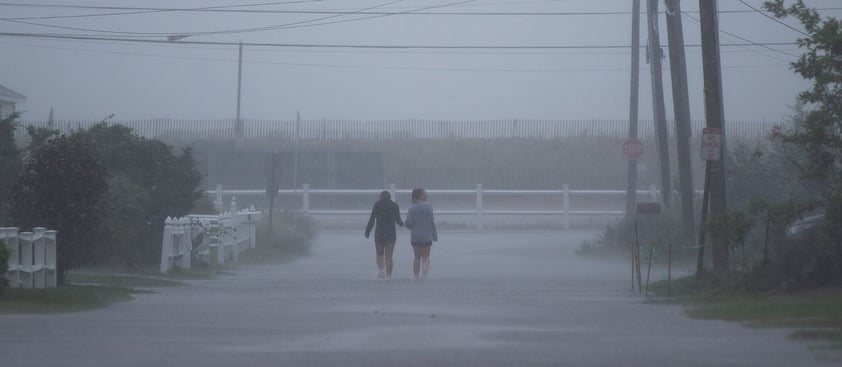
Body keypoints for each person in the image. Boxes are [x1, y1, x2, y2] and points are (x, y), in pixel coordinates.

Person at [365, 190, 403, 279]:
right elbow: (398, 219)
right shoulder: (394, 205)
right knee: (389, 256)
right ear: (390, 197)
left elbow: (372, 219)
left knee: (379, 254)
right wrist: (402, 223)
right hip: (390, 233)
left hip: (379, 233)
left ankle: (381, 271)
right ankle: (389, 275)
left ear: (380, 197)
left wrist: (367, 231)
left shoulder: (377, 205)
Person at [405, 188, 437, 280]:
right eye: (424, 194)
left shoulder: (412, 208)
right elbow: (432, 222)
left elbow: (408, 223)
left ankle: (415, 276)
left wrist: (414, 228)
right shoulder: (429, 207)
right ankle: (424, 275)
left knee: (417, 257)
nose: (426, 195)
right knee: (426, 257)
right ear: (419, 196)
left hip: (415, 236)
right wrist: (434, 235)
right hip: (426, 236)